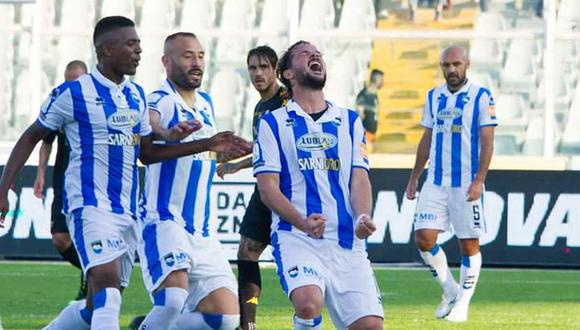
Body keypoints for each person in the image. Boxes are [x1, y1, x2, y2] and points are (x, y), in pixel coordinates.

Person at [0, 16, 248, 330]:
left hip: (128, 213)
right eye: (130, 44)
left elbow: (149, 152)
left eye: (138, 43)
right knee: (109, 297)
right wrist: (3, 188)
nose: (138, 51)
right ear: (106, 50)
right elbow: (31, 135)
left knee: (95, 306)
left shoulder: (135, 96)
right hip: (89, 206)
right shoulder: (73, 94)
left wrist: (185, 140)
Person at [254, 40, 384, 330]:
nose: (315, 56)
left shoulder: (350, 121)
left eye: (317, 53)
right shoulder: (273, 123)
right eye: (304, 54)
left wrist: (363, 216)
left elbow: (359, 178)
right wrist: (302, 222)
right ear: (287, 74)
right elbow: (267, 188)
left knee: (371, 326)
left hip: (348, 242)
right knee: (309, 302)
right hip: (297, 237)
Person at [133, 32, 248, 330]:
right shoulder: (161, 99)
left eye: (200, 55)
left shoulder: (206, 104)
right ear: (166, 62)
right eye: (187, 56)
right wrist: (167, 132)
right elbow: (153, 123)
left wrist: (232, 154)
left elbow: (203, 155)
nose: (196, 62)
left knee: (225, 318)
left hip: (203, 231)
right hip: (165, 220)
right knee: (172, 299)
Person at [405, 45, 497, 322]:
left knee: (468, 244)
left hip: (466, 182)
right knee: (423, 237)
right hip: (435, 180)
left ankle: (463, 304)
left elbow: (488, 139)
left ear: (466, 64)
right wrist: (414, 176)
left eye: (456, 64)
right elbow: (427, 139)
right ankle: (451, 290)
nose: (451, 70)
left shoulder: (481, 96)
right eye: (446, 65)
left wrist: (480, 180)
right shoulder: (434, 97)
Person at [216, 45, 288, 330]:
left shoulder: (287, 102)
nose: (258, 74)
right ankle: (248, 324)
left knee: (296, 260)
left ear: (275, 71)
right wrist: (240, 157)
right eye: (253, 68)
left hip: (287, 192)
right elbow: (264, 149)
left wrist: (238, 164)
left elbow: (281, 150)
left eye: (263, 67)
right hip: (264, 190)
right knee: (246, 251)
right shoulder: (260, 107)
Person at [33, 60, 89, 301]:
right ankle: (91, 271)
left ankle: (95, 278)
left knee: (89, 238)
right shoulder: (61, 103)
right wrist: (40, 173)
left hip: (89, 184)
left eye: (75, 82)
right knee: (60, 238)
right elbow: (46, 141)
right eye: (68, 82)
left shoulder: (96, 105)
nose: (71, 87)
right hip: (64, 183)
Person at [355, 69, 384, 151]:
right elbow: (359, 116)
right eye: (382, 80)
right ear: (377, 79)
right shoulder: (364, 95)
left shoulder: (374, 94)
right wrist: (363, 139)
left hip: (371, 136)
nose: (383, 82)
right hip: (366, 138)